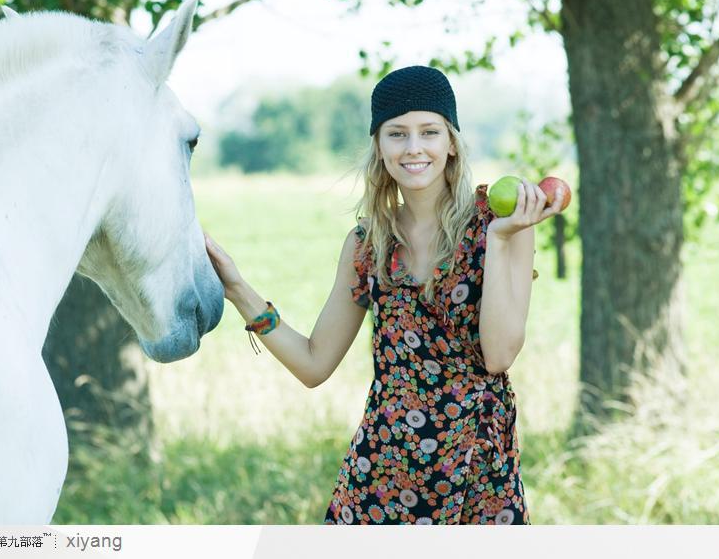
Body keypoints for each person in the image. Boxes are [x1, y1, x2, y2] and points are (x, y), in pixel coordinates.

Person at [204, 65, 563, 524]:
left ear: (451, 143)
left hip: (477, 477)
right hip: (383, 473)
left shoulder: (502, 223)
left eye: (429, 132)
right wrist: (237, 289)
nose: (414, 148)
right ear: (379, 145)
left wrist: (498, 239)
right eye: (397, 134)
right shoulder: (367, 244)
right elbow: (314, 364)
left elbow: (498, 355)